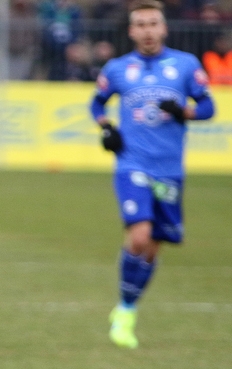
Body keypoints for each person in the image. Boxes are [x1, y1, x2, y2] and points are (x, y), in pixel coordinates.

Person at [91, 0, 214, 349]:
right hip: (132, 164)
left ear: (164, 28)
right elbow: (96, 103)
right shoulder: (117, 69)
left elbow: (208, 107)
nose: (147, 30)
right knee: (140, 236)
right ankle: (126, 311)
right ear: (131, 31)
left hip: (170, 170)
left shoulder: (186, 65)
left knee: (152, 248)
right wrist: (106, 128)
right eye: (141, 24)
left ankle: (126, 308)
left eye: (153, 23)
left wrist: (184, 111)